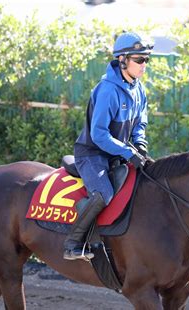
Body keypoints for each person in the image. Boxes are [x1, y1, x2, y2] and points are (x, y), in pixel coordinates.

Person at [63, 32, 154, 261]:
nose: (144, 65)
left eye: (146, 59)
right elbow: (99, 134)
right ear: (123, 60)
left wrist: (140, 144)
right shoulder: (107, 90)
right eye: (139, 59)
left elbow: (140, 123)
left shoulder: (138, 88)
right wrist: (127, 151)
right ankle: (73, 243)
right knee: (104, 193)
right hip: (92, 155)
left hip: (117, 155)